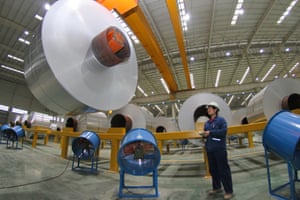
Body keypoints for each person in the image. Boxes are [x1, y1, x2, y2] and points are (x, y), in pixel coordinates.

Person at [203, 101, 233, 200]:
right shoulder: (207, 123)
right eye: (208, 109)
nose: (208, 110)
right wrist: (204, 136)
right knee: (213, 170)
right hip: (210, 149)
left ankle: (228, 191)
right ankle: (217, 187)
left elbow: (223, 132)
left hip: (219, 149)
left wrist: (210, 132)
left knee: (223, 170)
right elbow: (206, 134)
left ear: (215, 110)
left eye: (210, 108)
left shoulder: (221, 120)